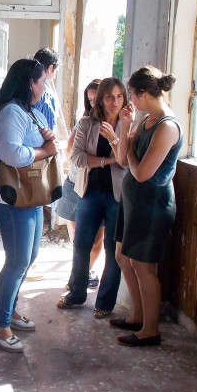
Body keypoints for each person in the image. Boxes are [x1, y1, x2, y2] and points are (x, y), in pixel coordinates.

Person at [0, 58, 58, 353]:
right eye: (42, 82)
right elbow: (11, 153)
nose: (44, 87)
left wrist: (47, 140)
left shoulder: (27, 111)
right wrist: (44, 150)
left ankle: (10, 311)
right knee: (17, 261)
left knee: (28, 257)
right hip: (10, 197)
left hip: (29, 195)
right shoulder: (12, 112)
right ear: (30, 83)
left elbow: (36, 145)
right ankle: (0, 324)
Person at [111, 67, 183, 348]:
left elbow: (141, 173)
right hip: (133, 201)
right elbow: (121, 158)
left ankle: (150, 329)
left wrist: (126, 144)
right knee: (122, 257)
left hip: (152, 204)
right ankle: (137, 316)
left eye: (131, 93)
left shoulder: (166, 125)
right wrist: (126, 129)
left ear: (143, 93)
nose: (130, 99)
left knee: (144, 267)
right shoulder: (145, 119)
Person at [57, 77, 129, 318]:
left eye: (119, 96)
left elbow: (126, 162)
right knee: (81, 245)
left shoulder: (129, 123)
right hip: (88, 193)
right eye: (109, 97)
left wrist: (115, 140)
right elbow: (76, 158)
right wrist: (107, 160)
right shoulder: (87, 123)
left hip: (117, 197)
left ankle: (105, 302)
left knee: (112, 249)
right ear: (101, 100)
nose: (115, 102)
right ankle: (76, 294)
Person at [55, 80, 105, 290]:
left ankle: (83, 274)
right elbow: (71, 153)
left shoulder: (115, 123)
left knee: (95, 239)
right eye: (90, 99)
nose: (93, 103)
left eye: (97, 99)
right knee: (78, 240)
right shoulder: (84, 121)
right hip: (76, 183)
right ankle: (78, 276)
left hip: (99, 188)